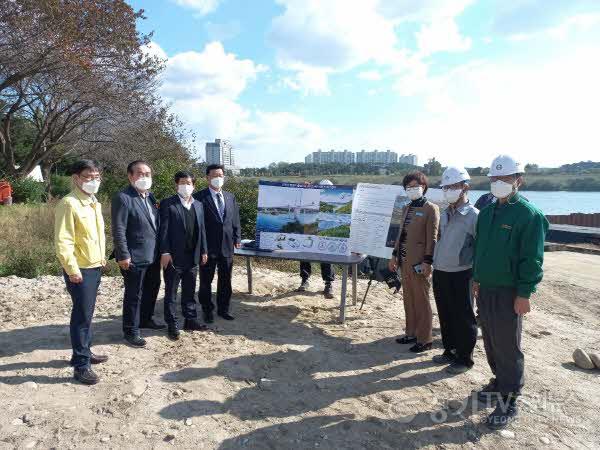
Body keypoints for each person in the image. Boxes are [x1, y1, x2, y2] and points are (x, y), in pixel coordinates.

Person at [472, 154, 549, 429]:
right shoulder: (489, 212)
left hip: (509, 291)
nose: (498, 183)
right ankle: (498, 382)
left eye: (505, 178)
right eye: (494, 178)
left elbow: (532, 258)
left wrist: (525, 293)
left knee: (508, 346)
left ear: (518, 180)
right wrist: (477, 278)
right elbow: (481, 250)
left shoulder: (528, 215)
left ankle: (509, 399)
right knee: (491, 341)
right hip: (486, 288)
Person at [55, 160, 107, 385]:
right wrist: (72, 270)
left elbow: (96, 236)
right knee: (81, 316)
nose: (93, 180)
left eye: (96, 176)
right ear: (76, 178)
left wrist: (102, 259)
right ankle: (81, 366)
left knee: (87, 313)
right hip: (80, 270)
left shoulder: (92, 201)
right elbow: (63, 241)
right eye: (88, 176)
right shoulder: (69, 203)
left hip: (94, 266)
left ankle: (84, 351)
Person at [112, 160, 164, 348]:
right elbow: (119, 229)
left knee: (152, 288)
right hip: (133, 256)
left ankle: (146, 319)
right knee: (134, 294)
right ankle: (131, 330)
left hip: (153, 254)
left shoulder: (150, 197)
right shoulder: (123, 197)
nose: (144, 177)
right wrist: (123, 254)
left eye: (148, 174)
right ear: (130, 176)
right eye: (140, 174)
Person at [432, 166, 479, 374]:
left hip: (462, 272)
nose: (449, 190)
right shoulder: (445, 213)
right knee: (445, 312)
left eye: (454, 186)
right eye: (446, 187)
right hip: (441, 270)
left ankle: (464, 358)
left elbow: (479, 247)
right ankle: (449, 350)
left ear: (465, 187)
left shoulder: (475, 216)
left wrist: (478, 277)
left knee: (464, 315)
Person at [389, 171, 440, 353]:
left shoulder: (431, 208)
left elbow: (432, 238)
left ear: (424, 187)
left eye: (415, 186)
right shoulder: (406, 208)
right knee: (408, 299)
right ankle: (411, 333)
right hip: (404, 261)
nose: (412, 189)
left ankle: (425, 339)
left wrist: (428, 261)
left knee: (422, 301)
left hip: (420, 263)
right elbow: (400, 235)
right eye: (408, 187)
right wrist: (394, 256)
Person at [159, 171, 209, 340]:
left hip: (193, 256)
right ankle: (172, 324)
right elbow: (163, 230)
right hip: (174, 257)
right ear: (176, 184)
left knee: (189, 291)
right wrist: (165, 252)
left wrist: (204, 251)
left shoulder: (199, 205)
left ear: (194, 186)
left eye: (189, 183)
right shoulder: (168, 203)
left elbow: (202, 231)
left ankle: (190, 320)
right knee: (171, 292)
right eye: (182, 182)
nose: (186, 186)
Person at [194, 164, 241, 323]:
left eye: (220, 175)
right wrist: (201, 247)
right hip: (208, 247)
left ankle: (224, 309)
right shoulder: (199, 197)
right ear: (207, 177)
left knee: (226, 280)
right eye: (214, 175)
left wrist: (237, 237)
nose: (218, 178)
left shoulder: (230, 196)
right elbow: (197, 225)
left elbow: (235, 219)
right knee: (206, 281)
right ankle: (207, 310)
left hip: (227, 245)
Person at [297, 179, 335, 299]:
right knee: (305, 253)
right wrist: (305, 190)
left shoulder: (333, 201)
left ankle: (328, 284)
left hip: (325, 230)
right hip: (310, 227)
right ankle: (305, 280)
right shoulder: (311, 196)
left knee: (326, 256)